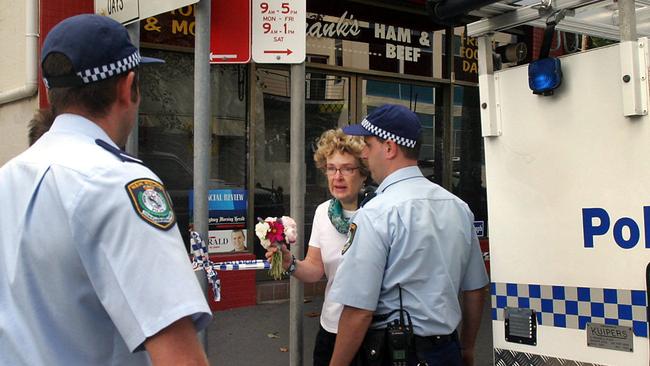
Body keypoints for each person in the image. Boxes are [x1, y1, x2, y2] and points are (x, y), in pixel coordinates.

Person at [0, 14, 211, 365]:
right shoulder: (118, 183)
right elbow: (180, 357)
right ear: (128, 87)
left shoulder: (8, 177)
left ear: (54, 93)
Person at [328, 104, 489, 366]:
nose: (365, 154)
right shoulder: (457, 207)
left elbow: (358, 311)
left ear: (389, 148)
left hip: (396, 353)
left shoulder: (376, 213)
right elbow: (475, 289)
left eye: (368, 144)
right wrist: (467, 348)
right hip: (446, 350)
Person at [266, 129, 369, 366]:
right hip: (331, 328)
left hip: (371, 332)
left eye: (347, 168)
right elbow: (315, 269)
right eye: (331, 168)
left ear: (363, 174)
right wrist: (289, 262)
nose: (338, 176)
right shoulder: (323, 212)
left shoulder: (377, 212)